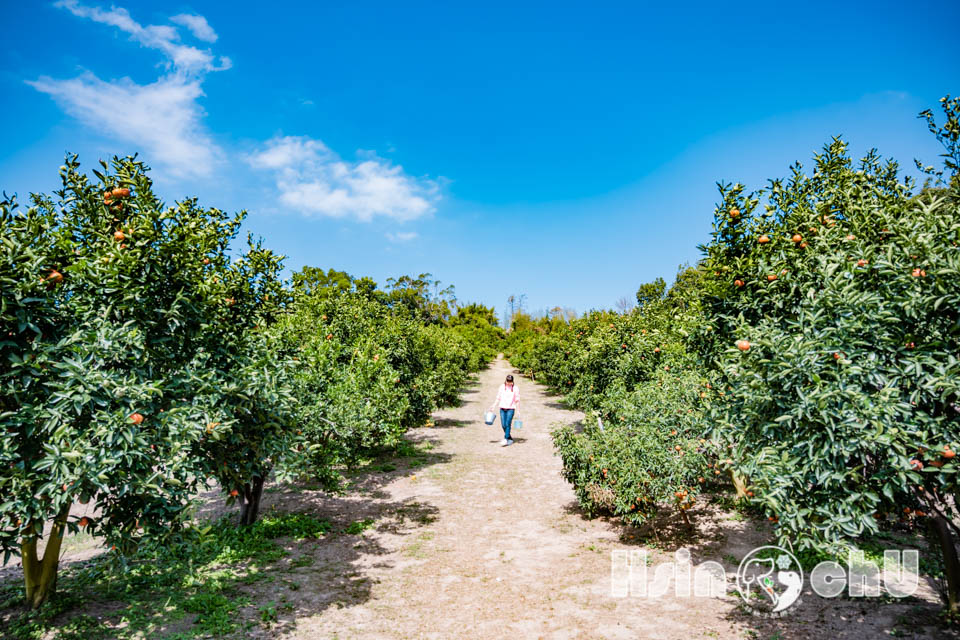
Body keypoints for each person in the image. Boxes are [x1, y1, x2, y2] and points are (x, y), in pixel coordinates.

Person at [489, 374, 519, 446]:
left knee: (508, 424)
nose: (508, 383)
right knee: (503, 425)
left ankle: (505, 439)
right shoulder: (502, 387)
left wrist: (518, 410)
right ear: (505, 380)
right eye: (507, 381)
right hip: (502, 408)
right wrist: (493, 406)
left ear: (512, 381)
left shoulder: (515, 388)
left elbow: (517, 400)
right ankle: (510, 438)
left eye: (510, 381)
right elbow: (498, 397)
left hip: (511, 409)